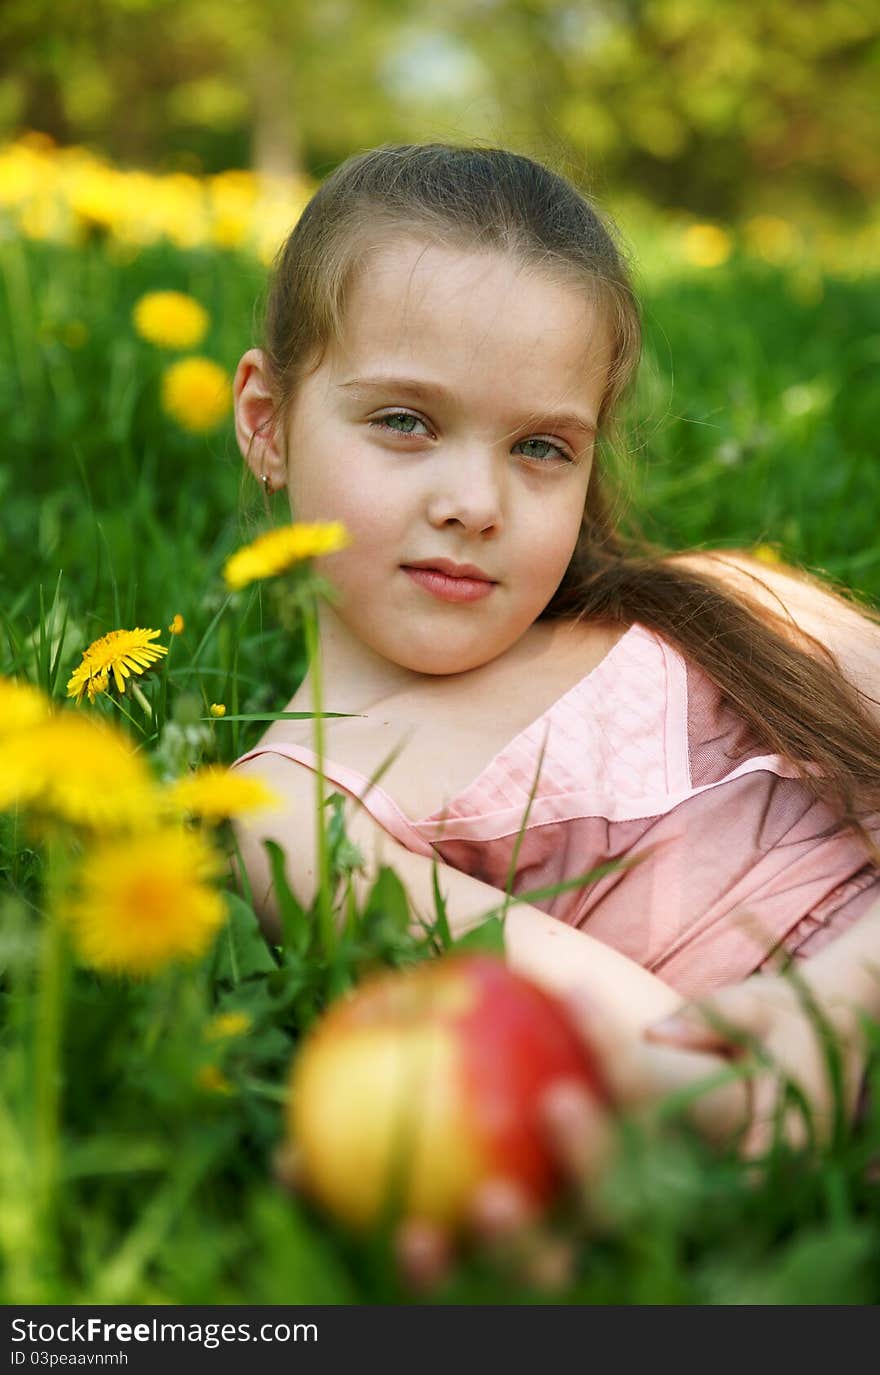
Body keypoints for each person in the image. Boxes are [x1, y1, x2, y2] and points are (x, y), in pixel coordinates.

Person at [227, 143, 880, 1173]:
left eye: (539, 447)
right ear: (267, 423)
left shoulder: (722, 603)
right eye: (405, 422)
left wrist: (849, 995)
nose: (473, 506)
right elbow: (678, 1072)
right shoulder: (301, 811)